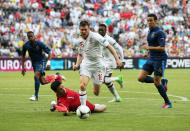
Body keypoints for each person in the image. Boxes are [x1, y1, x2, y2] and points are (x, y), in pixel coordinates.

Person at [73, 20, 123, 107]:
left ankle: (95, 78)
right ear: (79, 29)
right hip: (86, 65)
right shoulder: (79, 40)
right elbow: (80, 54)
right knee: (82, 85)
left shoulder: (96, 37)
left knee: (96, 93)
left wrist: (118, 60)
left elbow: (110, 47)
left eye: (85, 29)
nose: (83, 31)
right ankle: (83, 108)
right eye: (82, 30)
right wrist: (77, 64)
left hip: (98, 66)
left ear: (89, 29)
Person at [138, 14, 172, 108]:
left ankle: (168, 103)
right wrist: (147, 53)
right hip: (151, 58)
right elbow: (152, 45)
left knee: (157, 83)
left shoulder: (160, 32)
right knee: (141, 78)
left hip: (160, 59)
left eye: (151, 20)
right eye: (148, 20)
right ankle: (163, 82)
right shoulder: (149, 31)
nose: (149, 22)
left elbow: (162, 48)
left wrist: (148, 47)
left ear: (156, 21)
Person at [21, 31, 52, 101]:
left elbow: (49, 53)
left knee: (36, 76)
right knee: (43, 82)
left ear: (34, 36)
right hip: (34, 63)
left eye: (31, 36)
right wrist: (23, 67)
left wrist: (48, 63)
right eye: (29, 37)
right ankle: (56, 77)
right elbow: (23, 56)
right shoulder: (26, 45)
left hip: (42, 61)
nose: (30, 38)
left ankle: (35, 96)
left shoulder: (40, 44)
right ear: (28, 38)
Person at [98, 23, 124, 102]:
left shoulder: (109, 39)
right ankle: (117, 97)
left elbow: (119, 48)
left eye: (102, 30)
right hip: (104, 62)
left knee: (102, 80)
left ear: (106, 31)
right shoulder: (98, 38)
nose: (100, 31)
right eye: (99, 30)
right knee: (107, 81)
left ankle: (118, 78)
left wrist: (122, 60)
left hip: (110, 62)